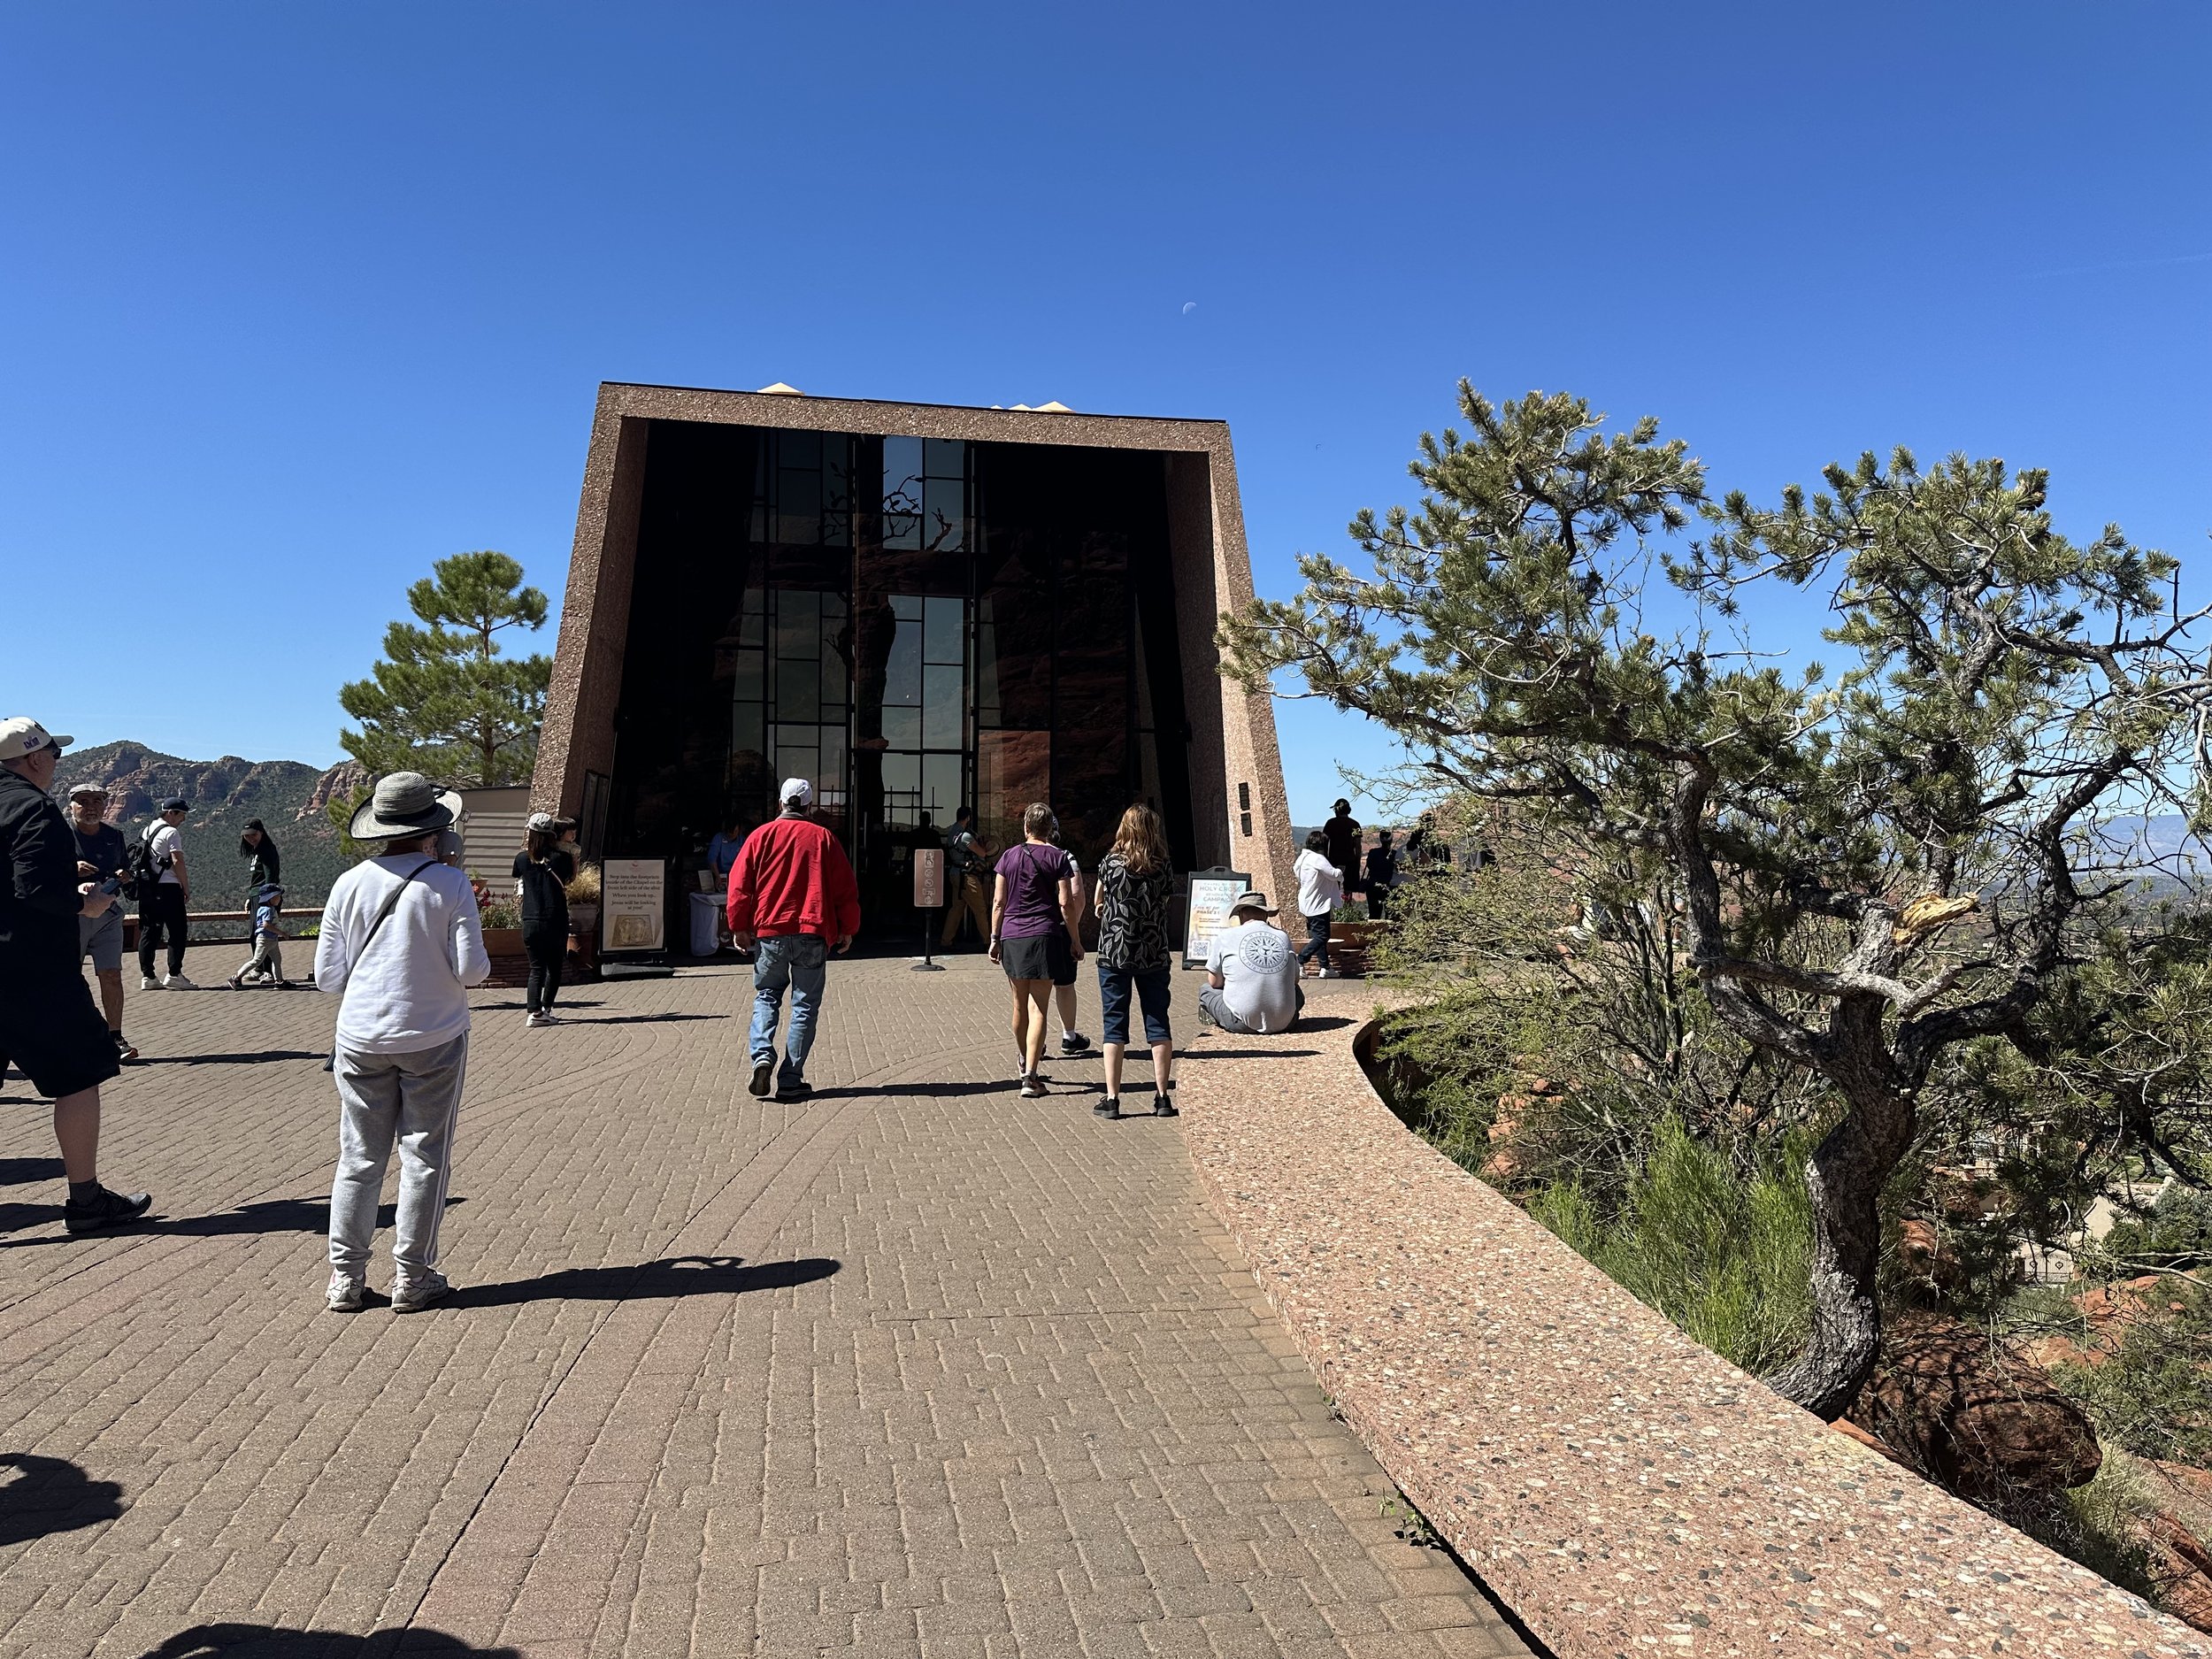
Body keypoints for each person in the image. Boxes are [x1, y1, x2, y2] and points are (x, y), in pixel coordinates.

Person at [316, 772, 488, 1315]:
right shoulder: (449, 883)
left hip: (361, 1037)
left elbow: (328, 978)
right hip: (433, 1035)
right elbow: (474, 971)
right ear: (433, 831)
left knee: (359, 1158)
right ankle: (412, 1277)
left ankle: (345, 1278)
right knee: (424, 1157)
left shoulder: (348, 884)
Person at [0, 717, 153, 1233]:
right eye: (55, 756)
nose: (56, 765)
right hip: (33, 972)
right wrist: (84, 904)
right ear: (35, 759)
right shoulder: (35, 809)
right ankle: (86, 1200)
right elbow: (35, 892)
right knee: (81, 1076)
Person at [726, 778, 861, 1102]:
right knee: (804, 1005)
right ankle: (790, 1077)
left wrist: (740, 926)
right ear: (810, 806)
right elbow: (845, 889)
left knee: (767, 995)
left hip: (771, 931)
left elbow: (740, 885)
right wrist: (848, 928)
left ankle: (761, 1055)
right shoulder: (823, 838)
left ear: (781, 804)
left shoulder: (760, 836)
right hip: (812, 931)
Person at [990, 803, 1084, 1098]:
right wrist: (1076, 940)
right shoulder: (1058, 857)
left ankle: (1023, 1059)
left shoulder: (1008, 857)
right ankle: (1030, 1077)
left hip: (1013, 936)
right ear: (1049, 828)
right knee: (1039, 1006)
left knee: (1019, 1004)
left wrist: (994, 937)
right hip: (1045, 934)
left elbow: (998, 902)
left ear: (1026, 827)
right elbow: (1066, 903)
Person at [1092, 803, 1176, 1120]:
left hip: (1115, 952)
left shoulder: (1111, 863)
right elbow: (1165, 899)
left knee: (1114, 1023)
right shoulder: (1162, 864)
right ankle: (1163, 1098)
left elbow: (1100, 899)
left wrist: (1106, 909)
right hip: (1153, 952)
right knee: (1158, 1021)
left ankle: (1112, 1099)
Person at [66, 785, 136, 1061]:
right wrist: (72, 869)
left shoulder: (114, 836)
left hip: (107, 914)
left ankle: (115, 1037)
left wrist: (124, 874)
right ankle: (73, 1037)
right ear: (71, 806)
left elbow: (126, 868)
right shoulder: (59, 835)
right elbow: (37, 872)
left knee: (111, 975)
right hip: (73, 915)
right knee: (70, 978)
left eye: (97, 801)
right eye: (83, 802)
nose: (91, 807)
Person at [1200, 890, 1304, 1036]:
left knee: (1206, 990)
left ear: (1241, 914)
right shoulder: (1283, 936)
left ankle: (1219, 1016)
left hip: (1240, 1022)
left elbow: (1214, 982)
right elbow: (1295, 980)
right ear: (1266, 914)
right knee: (1296, 992)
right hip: (1286, 1022)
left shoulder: (1225, 936)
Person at [511, 811, 575, 1028]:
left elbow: (517, 874)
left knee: (536, 968)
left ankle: (534, 1012)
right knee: (554, 967)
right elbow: (570, 878)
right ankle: (545, 1009)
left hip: (530, 919)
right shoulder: (562, 859)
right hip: (555, 919)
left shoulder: (521, 858)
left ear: (530, 833)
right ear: (551, 834)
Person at [134, 796, 195, 989]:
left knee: (149, 931)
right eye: (181, 815)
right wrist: (185, 887)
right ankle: (174, 974)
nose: (183, 819)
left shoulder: (147, 830)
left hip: (147, 887)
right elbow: (178, 861)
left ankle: (148, 977)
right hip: (168, 887)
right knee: (177, 931)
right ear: (171, 813)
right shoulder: (171, 832)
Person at [1046, 821, 1090, 1056]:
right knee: (1064, 985)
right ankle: (1069, 1036)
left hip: (1028, 932)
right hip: (1061, 930)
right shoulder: (1066, 857)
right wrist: (1074, 933)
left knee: (1035, 991)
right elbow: (1075, 897)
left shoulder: (1018, 854)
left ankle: (1034, 1045)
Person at [938, 805, 993, 948]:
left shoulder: (952, 833)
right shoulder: (966, 836)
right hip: (967, 876)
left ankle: (946, 940)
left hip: (955, 873)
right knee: (980, 908)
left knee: (956, 909)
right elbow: (982, 853)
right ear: (968, 818)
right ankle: (988, 940)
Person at [1293, 828, 1345, 977]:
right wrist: (1341, 871)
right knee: (1322, 936)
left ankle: (1325, 967)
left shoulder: (1302, 858)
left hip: (1307, 900)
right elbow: (1333, 874)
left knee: (1318, 935)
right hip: (1318, 902)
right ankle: (1300, 960)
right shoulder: (1317, 859)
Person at [228, 883, 288, 988]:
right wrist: (281, 933)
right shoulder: (268, 910)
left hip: (271, 939)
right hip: (265, 939)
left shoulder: (264, 908)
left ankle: (279, 981)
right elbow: (266, 925)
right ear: (270, 898)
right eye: (277, 897)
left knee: (277, 960)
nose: (279, 899)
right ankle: (236, 977)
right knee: (257, 960)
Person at [1322, 798, 1363, 900]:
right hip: (1350, 860)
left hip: (1334, 860)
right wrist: (1357, 860)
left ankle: (1335, 910)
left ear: (1337, 810)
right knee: (1349, 889)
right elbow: (1358, 845)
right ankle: (1348, 910)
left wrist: (1325, 859)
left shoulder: (1330, 823)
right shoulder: (1355, 825)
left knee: (1333, 887)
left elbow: (1324, 843)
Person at [1363, 828, 1400, 922]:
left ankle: (1374, 935)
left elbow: (1370, 866)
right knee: (1391, 916)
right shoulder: (1396, 854)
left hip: (1373, 886)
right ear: (1392, 840)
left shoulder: (1373, 853)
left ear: (1380, 839)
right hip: (1390, 887)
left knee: (1374, 915)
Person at [240, 819, 281, 889]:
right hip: (256, 893)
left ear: (261, 832)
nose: (251, 838)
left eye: (254, 834)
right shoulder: (256, 851)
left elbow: (270, 874)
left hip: (263, 894)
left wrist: (268, 893)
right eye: (247, 835)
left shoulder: (266, 850)